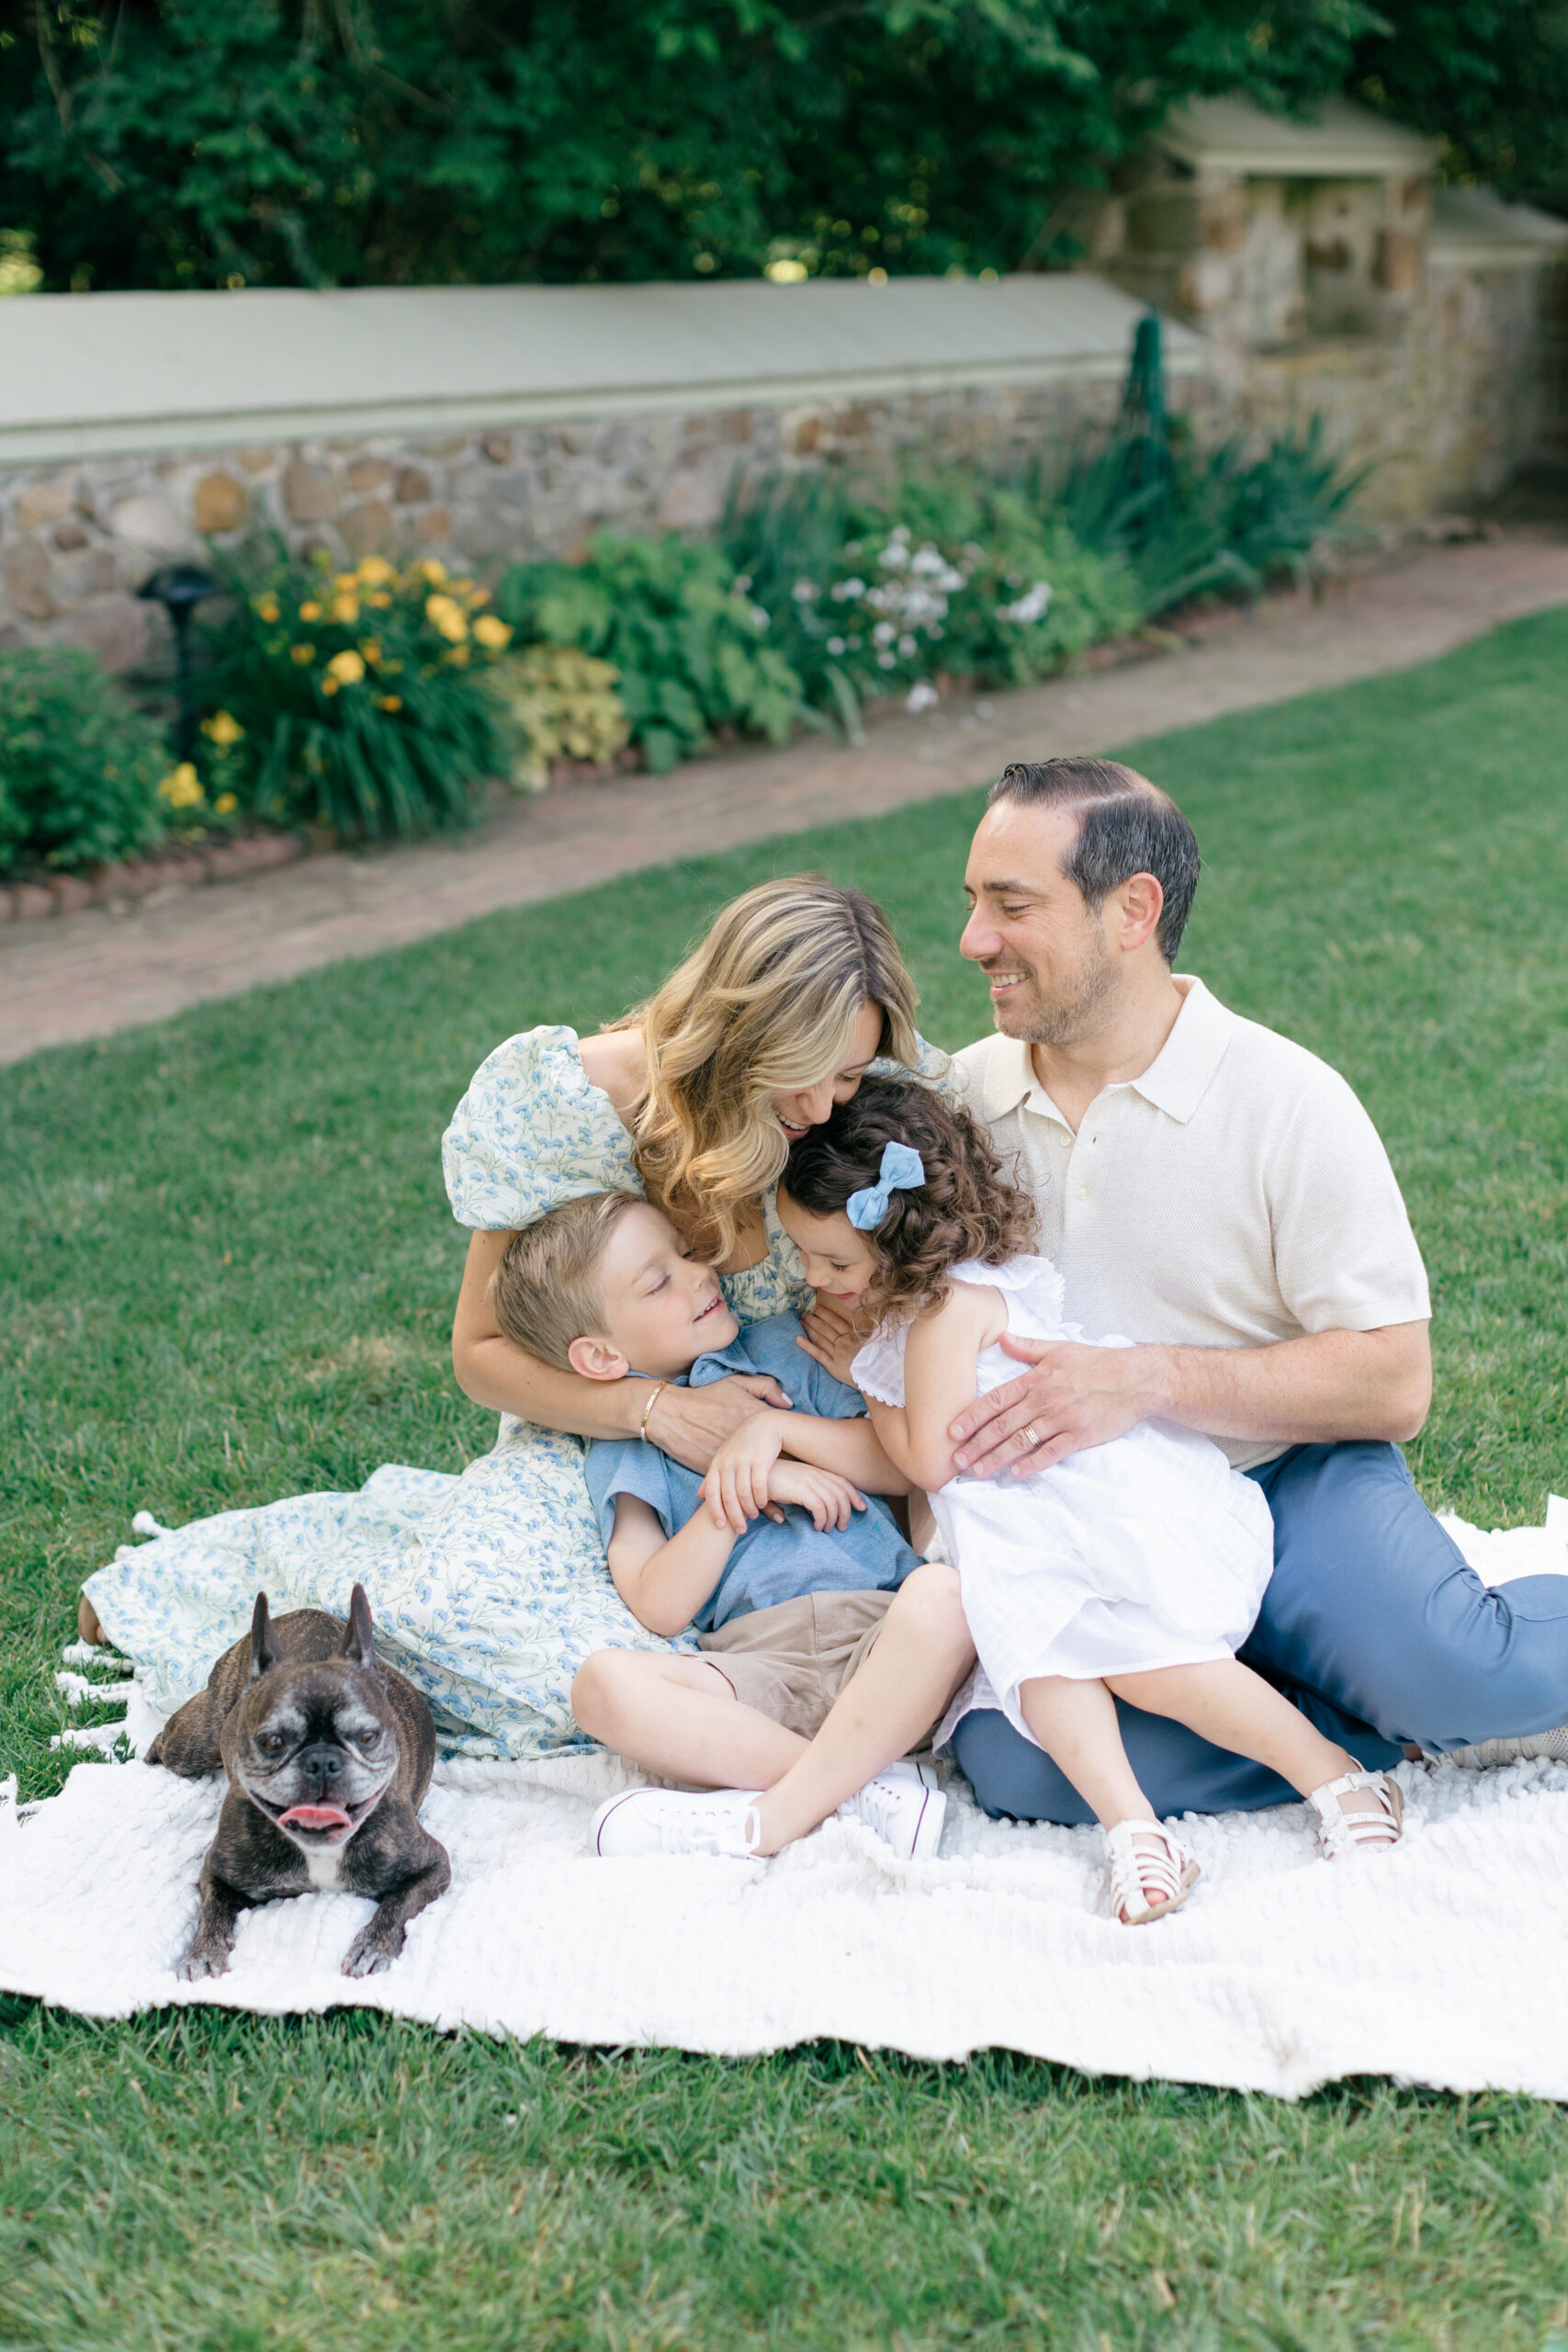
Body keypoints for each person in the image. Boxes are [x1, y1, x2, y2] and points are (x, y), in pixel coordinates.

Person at [791, 755, 1566, 1824]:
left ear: (1132, 911)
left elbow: (1395, 1383)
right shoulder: (949, 1110)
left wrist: (1143, 1381)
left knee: (1461, 1676)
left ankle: (1400, 1687)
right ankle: (1342, 1722)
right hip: (1072, 1530)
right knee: (1021, 1767)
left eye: (1011, 904)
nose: (972, 939)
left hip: (1282, 1476)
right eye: (973, 902)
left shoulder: (1288, 1099)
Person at [79, 876, 948, 1758]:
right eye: (797, 1076)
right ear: (734, 1034)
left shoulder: (863, 1108)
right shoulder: (563, 1103)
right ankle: (212, 1585)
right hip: (602, 1437)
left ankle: (750, 1708)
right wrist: (657, 1411)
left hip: (811, 1429)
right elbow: (480, 1351)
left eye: (844, 1076)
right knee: (454, 1617)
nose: (820, 1108)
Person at [775, 1078, 1403, 1921]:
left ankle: (1332, 1773)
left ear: (900, 1237)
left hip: (1078, 1507)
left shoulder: (942, 1311)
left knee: (1151, 1667)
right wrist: (792, 1423)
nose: (814, 1279)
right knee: (1039, 1665)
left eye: (834, 1262)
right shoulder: (927, 1302)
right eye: (805, 1256)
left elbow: (930, 1459)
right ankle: (1134, 1828)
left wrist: (864, 1377)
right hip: (1022, 1535)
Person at [483, 1187, 972, 1859]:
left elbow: (900, 1468)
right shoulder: (627, 1449)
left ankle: (796, 1801)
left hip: (883, 1639)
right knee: (601, 1688)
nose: (698, 1274)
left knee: (947, 1597)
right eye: (658, 1282)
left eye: (687, 1253)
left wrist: (775, 1439)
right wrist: (747, 1483)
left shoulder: (786, 1346)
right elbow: (657, 1602)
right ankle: (860, 1788)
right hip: (757, 1669)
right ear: (600, 1357)